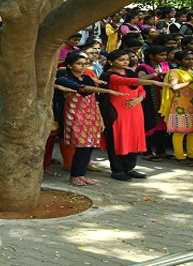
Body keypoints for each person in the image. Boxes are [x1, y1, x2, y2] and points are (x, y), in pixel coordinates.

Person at [99, 49, 171, 181]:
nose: (125, 62)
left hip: (135, 110)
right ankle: (117, 169)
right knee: (118, 138)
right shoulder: (108, 75)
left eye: (127, 59)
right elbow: (129, 82)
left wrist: (138, 99)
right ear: (110, 62)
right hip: (117, 111)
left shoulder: (130, 72)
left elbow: (142, 91)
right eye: (121, 60)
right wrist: (155, 82)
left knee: (134, 137)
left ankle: (129, 168)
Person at [56, 52, 125, 186]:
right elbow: (82, 89)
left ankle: (81, 175)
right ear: (69, 65)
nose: (82, 67)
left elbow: (94, 100)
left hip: (91, 114)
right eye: (79, 64)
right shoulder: (64, 79)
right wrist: (109, 91)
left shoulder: (87, 78)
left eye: (84, 64)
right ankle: (74, 175)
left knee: (89, 146)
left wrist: (100, 118)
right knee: (81, 145)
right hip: (74, 114)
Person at [160, 50, 193, 165]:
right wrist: (189, 82)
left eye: (192, 59)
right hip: (180, 106)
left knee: (191, 132)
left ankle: (191, 155)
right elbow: (174, 87)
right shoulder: (175, 72)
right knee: (179, 132)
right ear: (178, 61)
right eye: (187, 59)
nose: (190, 61)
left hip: (191, 105)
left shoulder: (192, 71)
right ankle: (180, 156)